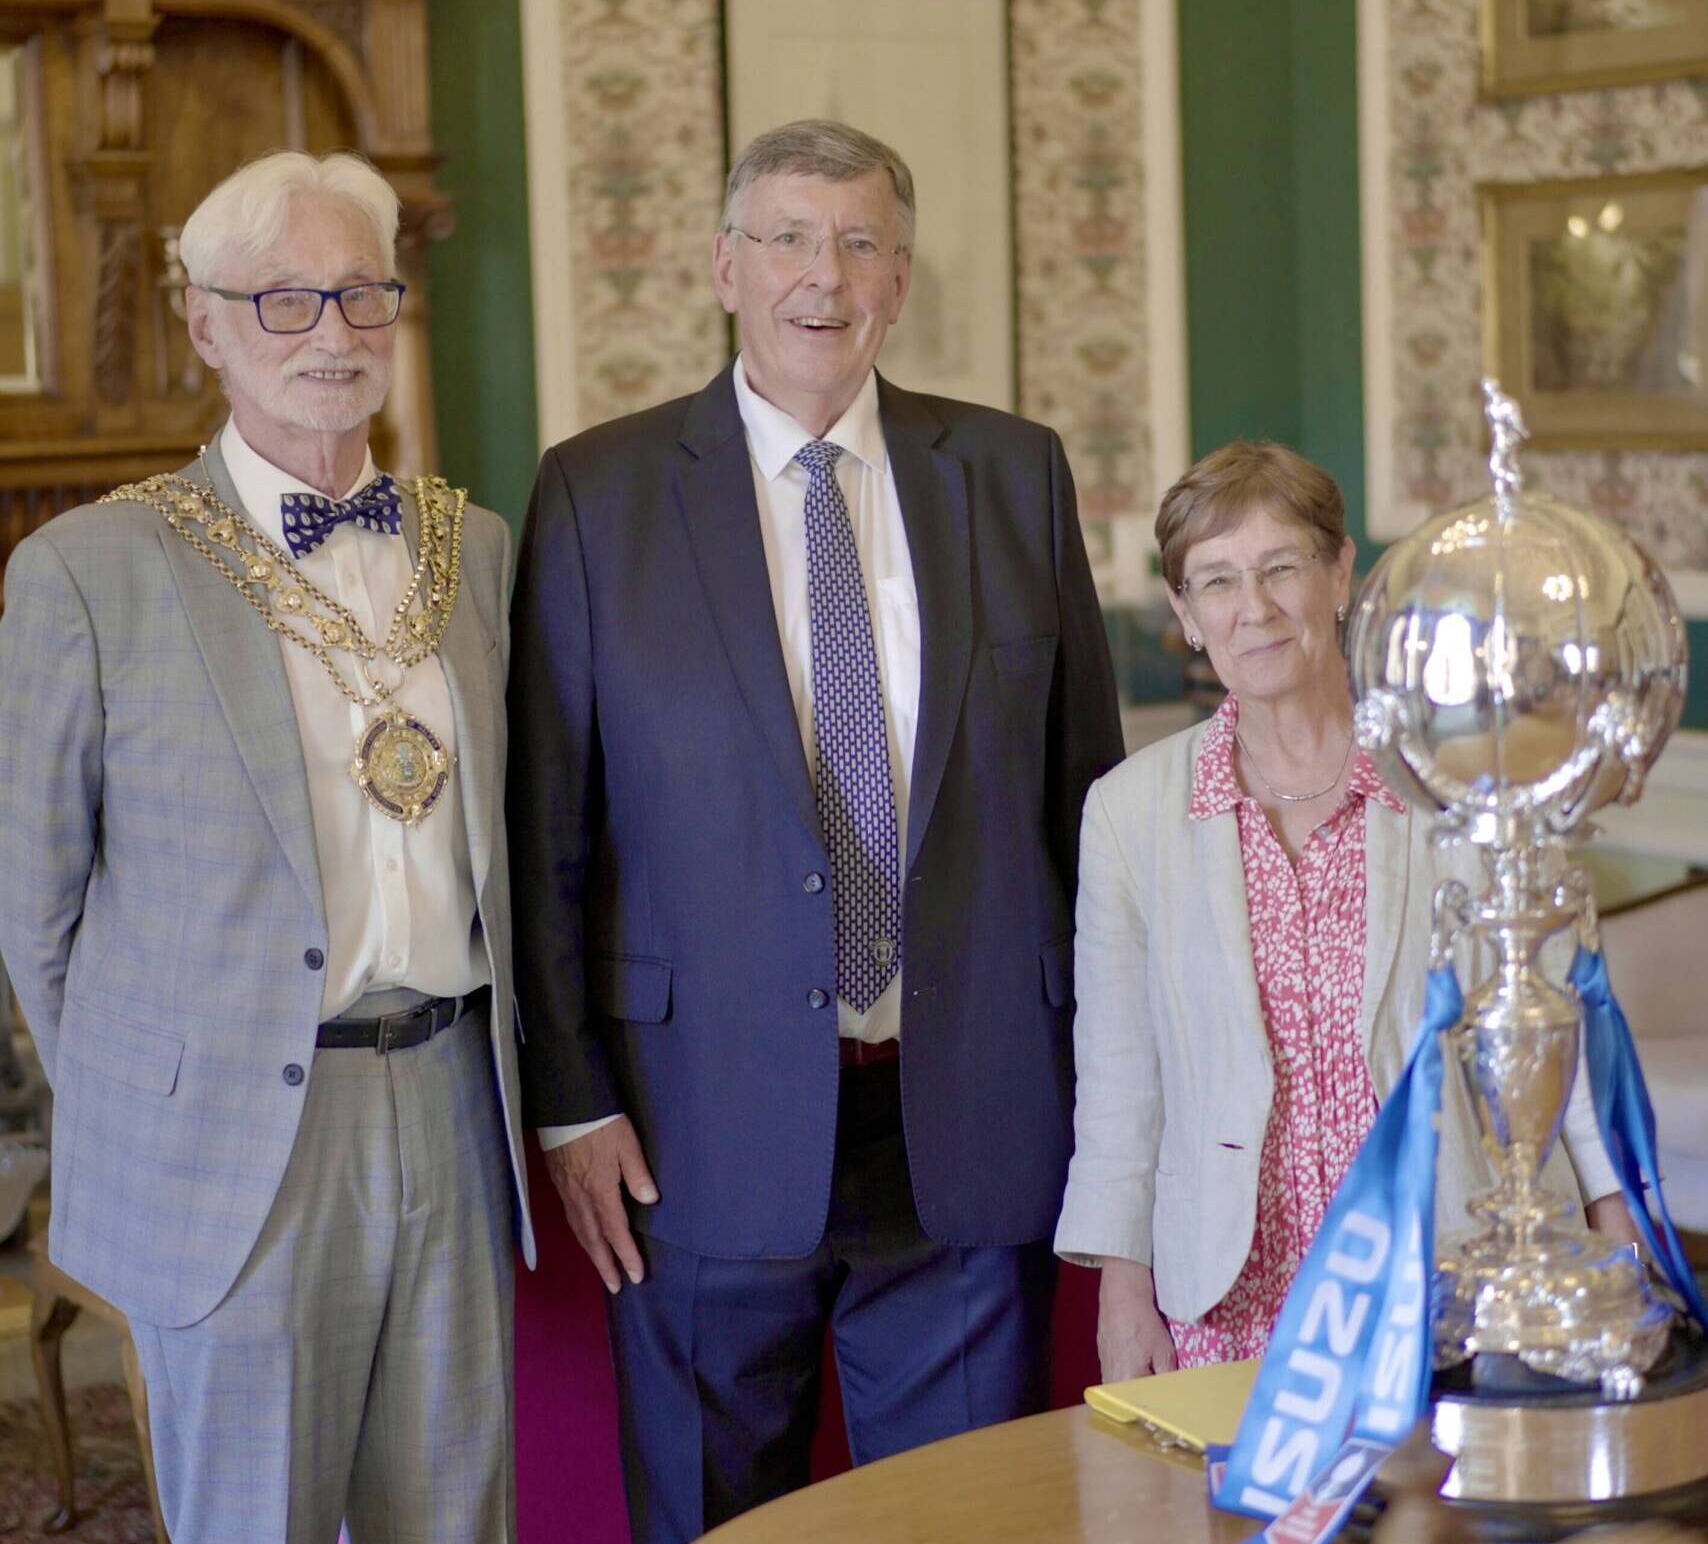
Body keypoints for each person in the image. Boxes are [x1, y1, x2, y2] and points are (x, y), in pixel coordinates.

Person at [508, 118, 1125, 1541]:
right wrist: (572, 1092)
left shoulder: (1014, 473)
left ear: (900, 280)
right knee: (715, 1523)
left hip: (967, 1122)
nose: (821, 275)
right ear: (726, 267)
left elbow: (1085, 806)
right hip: (694, 1129)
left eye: (858, 242)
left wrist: (1114, 1080)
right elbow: (547, 827)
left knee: (967, 1524)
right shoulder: (596, 493)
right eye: (786, 237)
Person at [0, 150, 533, 1542]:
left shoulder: (473, 547)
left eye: (363, 294)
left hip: (453, 1096)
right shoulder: (89, 570)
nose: (335, 333)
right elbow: (33, 906)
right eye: (285, 299)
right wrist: (163, 1098)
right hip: (238, 1132)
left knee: (452, 1516)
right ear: (206, 323)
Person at [1054, 441, 1636, 1379]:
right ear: (1186, 616)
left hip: (1452, 1268)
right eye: (1217, 581)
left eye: (1282, 567)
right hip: (1233, 1295)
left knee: (1451, 1523)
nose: (1255, 608)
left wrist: (1616, 1217)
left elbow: (1552, 1021)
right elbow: (1121, 1081)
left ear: (1339, 575)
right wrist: (1124, 1290)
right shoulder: (1131, 813)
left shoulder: (1462, 778)